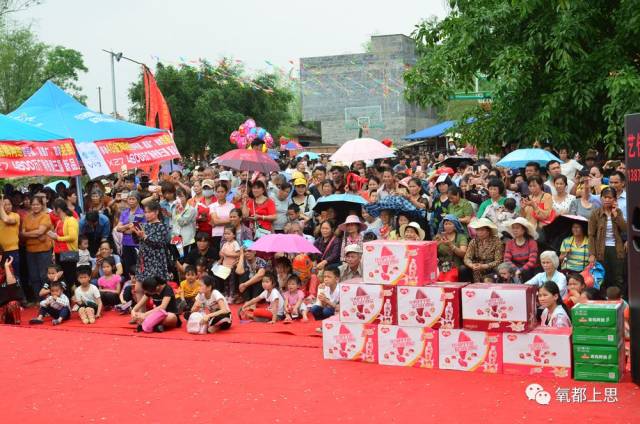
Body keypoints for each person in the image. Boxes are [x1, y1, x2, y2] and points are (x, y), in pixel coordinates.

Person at [588, 187, 626, 295]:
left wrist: (616, 216)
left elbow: (625, 229)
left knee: (618, 277)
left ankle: (619, 300)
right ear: (601, 198)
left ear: (615, 200)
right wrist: (592, 254)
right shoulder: (595, 213)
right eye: (605, 197)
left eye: (610, 197)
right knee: (602, 278)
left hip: (616, 249)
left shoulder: (618, 212)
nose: (607, 199)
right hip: (600, 250)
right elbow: (591, 235)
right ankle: (603, 300)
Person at [21, 196, 53, 301]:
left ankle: (47, 299)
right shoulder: (26, 217)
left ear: (41, 205)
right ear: (30, 205)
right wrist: (35, 234)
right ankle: (39, 300)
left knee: (44, 276)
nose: (35, 206)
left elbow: (40, 231)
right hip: (30, 251)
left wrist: (28, 234)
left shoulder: (45, 216)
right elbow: (22, 233)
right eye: (33, 204)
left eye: (37, 204)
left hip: (44, 250)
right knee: (34, 276)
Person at [132, 201, 172, 282]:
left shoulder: (162, 227)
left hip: (156, 260)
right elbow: (136, 241)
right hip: (143, 259)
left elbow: (157, 244)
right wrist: (134, 233)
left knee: (154, 287)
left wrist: (144, 236)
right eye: (145, 212)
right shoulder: (143, 225)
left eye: (149, 212)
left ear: (156, 212)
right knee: (138, 288)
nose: (146, 214)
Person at [47, 198, 79, 289]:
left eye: (54, 209)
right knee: (61, 278)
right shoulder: (60, 221)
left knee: (69, 278)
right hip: (58, 252)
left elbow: (73, 237)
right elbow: (56, 238)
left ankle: (72, 298)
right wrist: (53, 252)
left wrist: (57, 237)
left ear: (59, 209)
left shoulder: (71, 220)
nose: (53, 211)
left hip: (69, 252)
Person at [115, 191, 145, 274]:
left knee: (138, 266)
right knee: (128, 267)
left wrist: (125, 229)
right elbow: (118, 229)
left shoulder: (141, 213)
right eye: (129, 199)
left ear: (138, 200)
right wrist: (128, 226)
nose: (131, 201)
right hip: (125, 243)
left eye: (133, 199)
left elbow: (136, 230)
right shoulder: (124, 213)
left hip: (137, 244)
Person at [503, 217, 539, 282]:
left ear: (524, 230)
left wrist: (521, 270)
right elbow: (506, 259)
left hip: (530, 270)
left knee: (526, 274)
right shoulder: (510, 243)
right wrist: (516, 269)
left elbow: (532, 261)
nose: (515, 230)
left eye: (517, 228)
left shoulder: (532, 242)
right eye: (513, 228)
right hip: (515, 269)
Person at [435, 215, 469, 282]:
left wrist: (451, 245)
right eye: (446, 224)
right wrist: (437, 244)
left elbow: (463, 253)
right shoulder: (438, 237)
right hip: (441, 267)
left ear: (455, 225)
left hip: (455, 267)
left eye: (450, 224)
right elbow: (430, 253)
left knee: (449, 280)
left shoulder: (461, 237)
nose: (447, 226)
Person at [216, 224, 241, 302]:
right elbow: (222, 254)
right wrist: (220, 256)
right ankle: (226, 295)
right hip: (224, 266)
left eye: (228, 234)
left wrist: (228, 254)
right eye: (225, 234)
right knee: (225, 282)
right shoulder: (225, 244)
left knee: (232, 282)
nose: (226, 236)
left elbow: (238, 254)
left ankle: (232, 295)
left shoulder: (235, 243)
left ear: (234, 235)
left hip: (232, 266)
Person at [209, 184, 235, 259]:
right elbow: (216, 221)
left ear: (226, 192)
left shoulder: (231, 206)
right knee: (218, 257)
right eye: (218, 192)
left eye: (222, 191)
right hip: (217, 234)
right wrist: (230, 220)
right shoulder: (212, 206)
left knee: (229, 256)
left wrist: (218, 221)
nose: (220, 194)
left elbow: (234, 221)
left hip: (229, 235)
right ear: (215, 192)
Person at [0, 195, 20, 283]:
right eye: (5, 204)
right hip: (1, 252)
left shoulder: (15, 216)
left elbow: (6, 219)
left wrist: (0, 205)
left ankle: (19, 296)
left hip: (13, 251)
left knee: (15, 276)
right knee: (3, 278)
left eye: (9, 204)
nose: (8, 206)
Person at [171, 188, 197, 256]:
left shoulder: (192, 210)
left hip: (187, 240)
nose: (179, 199)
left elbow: (182, 222)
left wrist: (178, 214)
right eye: (177, 197)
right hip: (176, 238)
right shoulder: (174, 208)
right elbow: (173, 223)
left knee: (186, 259)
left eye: (181, 196)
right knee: (177, 259)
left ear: (186, 197)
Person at [0, 253, 20, 324]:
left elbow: (12, 283)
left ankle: (17, 325)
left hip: (4, 304)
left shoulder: (7, 266)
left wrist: (6, 267)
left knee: (14, 303)